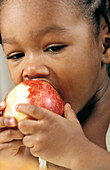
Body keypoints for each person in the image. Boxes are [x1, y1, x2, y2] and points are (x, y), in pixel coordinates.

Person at [0, 0, 110, 169]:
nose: (30, 69)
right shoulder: (28, 148)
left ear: (105, 45)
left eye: (53, 48)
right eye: (16, 55)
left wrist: (77, 154)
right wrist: (16, 163)